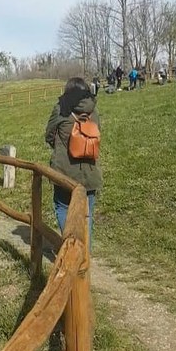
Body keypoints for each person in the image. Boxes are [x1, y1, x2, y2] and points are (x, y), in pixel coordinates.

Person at [45, 77, 102, 245]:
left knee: (62, 207)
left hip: (64, 172)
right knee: (87, 215)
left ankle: (71, 249)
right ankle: (84, 255)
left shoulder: (61, 108)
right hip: (90, 173)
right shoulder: (94, 110)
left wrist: (60, 145)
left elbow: (48, 135)